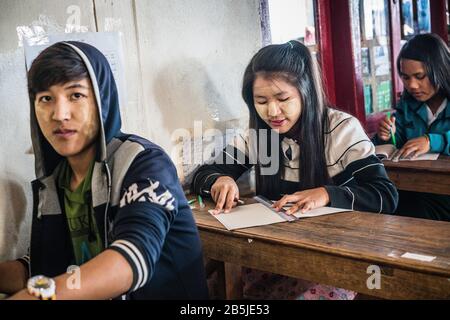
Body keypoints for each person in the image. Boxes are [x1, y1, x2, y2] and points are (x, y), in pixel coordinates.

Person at [0, 41, 208, 300]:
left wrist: (41, 296)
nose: (59, 114)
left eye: (76, 95)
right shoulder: (54, 182)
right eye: (46, 99)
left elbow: (131, 259)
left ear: (102, 100)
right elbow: (44, 269)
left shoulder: (144, 164)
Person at [192, 40, 398, 299]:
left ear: (306, 92)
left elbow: (384, 195)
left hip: (334, 258)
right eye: (261, 100)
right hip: (273, 253)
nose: (272, 111)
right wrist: (219, 180)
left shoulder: (341, 130)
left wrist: (325, 194)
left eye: (282, 98)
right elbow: (204, 173)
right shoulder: (261, 137)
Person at [373, 33, 450, 221]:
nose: (412, 85)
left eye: (419, 76)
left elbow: (428, 142)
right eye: (406, 78)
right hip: (416, 186)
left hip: (443, 195)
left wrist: (432, 141)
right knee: (386, 202)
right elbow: (398, 139)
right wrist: (386, 135)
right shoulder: (407, 104)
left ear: (440, 69)